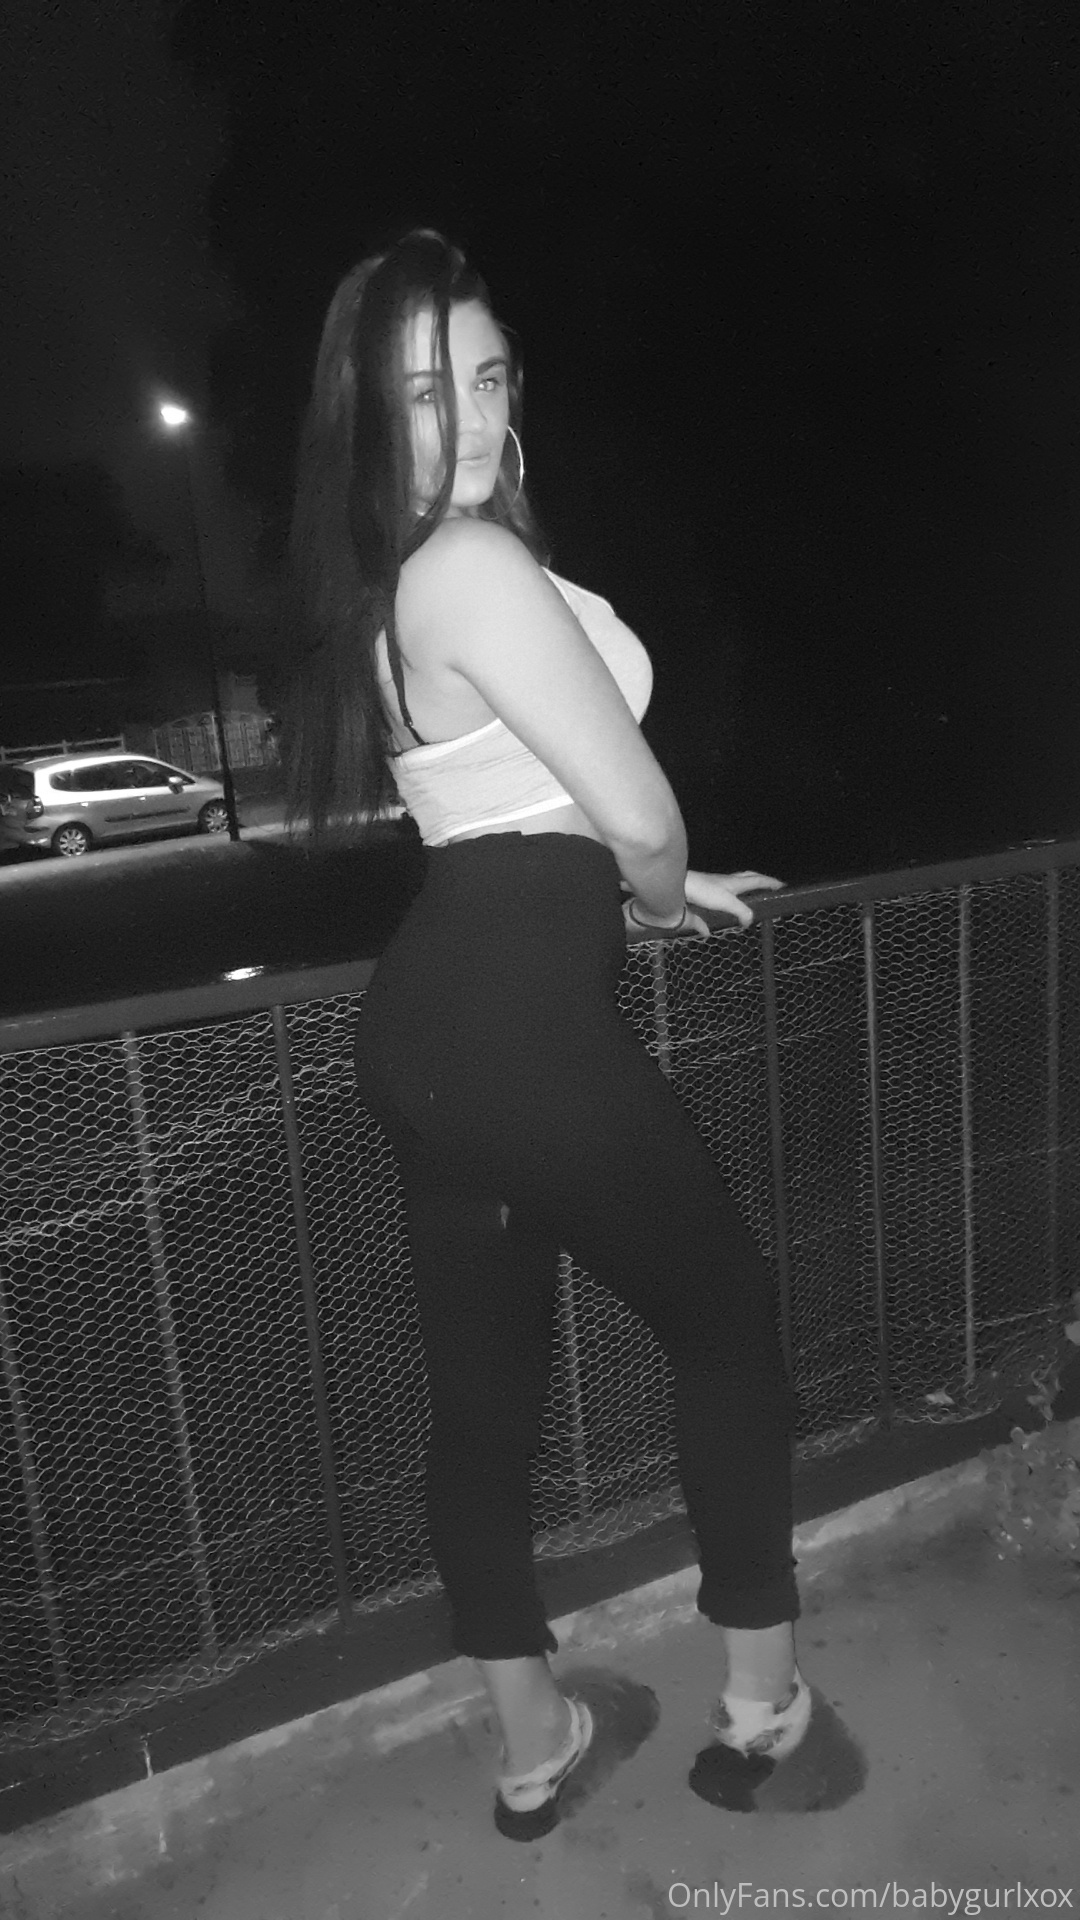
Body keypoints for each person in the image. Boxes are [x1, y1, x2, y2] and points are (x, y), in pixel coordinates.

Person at [282, 228, 812, 1838]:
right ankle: (761, 1699)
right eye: (423, 392)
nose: (471, 415)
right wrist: (654, 888)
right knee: (728, 1320)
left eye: (490, 375)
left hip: (433, 1036)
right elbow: (632, 813)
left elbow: (507, 807)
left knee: (484, 1408)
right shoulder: (467, 567)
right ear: (369, 417)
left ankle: (534, 1744)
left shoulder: (400, 583)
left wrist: (644, 883)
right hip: (515, 1032)